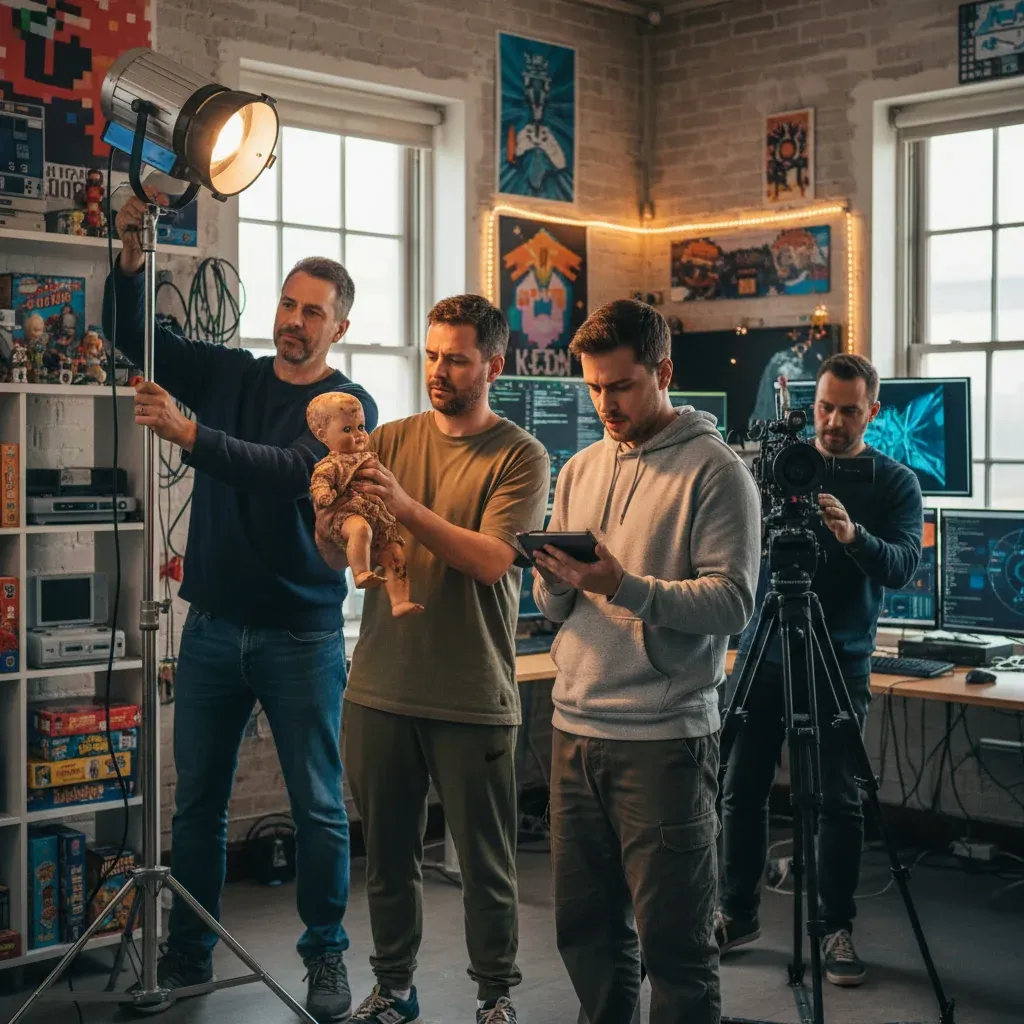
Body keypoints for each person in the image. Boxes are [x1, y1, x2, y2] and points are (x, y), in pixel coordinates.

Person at [105, 195, 378, 1023]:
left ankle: (326, 959)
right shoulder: (232, 373)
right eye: (289, 304)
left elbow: (286, 470)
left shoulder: (344, 405)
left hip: (302, 634)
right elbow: (133, 331)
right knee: (197, 805)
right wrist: (128, 253)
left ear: (338, 328)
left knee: (321, 808)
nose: (295, 321)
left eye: (313, 313)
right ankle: (187, 953)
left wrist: (190, 437)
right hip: (214, 627)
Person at [531, 299, 762, 1024]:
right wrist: (551, 576)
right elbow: (559, 608)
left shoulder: (716, 473)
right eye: (593, 387)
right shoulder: (580, 467)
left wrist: (621, 586)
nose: (605, 404)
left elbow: (733, 603)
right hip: (575, 732)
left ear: (663, 372)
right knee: (588, 939)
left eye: (621, 386)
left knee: (678, 950)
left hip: (664, 742)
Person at [321, 294, 549, 1024]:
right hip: (380, 686)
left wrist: (405, 505)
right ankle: (393, 989)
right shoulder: (386, 437)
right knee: (387, 861)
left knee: (487, 867)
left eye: (456, 358)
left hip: (471, 691)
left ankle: (494, 997)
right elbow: (341, 546)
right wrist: (334, 519)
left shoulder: (521, 454)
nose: (439, 371)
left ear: (494, 364)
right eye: (431, 355)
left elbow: (490, 561)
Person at [717, 353, 923, 988]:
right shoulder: (778, 469)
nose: (834, 422)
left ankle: (835, 927)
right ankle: (736, 912)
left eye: (850, 411)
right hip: (765, 650)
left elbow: (902, 566)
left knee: (837, 799)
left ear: (873, 411)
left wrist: (852, 536)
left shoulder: (893, 483)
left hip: (840, 659)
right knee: (738, 788)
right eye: (826, 408)